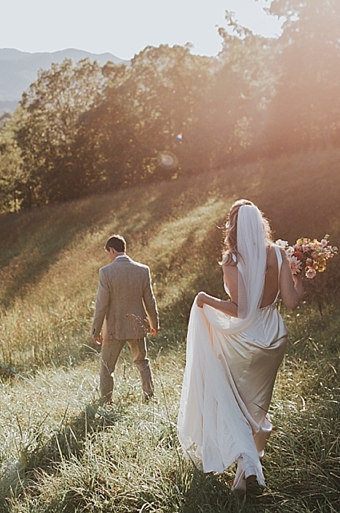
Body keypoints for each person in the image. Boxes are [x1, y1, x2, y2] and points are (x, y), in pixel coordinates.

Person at [177, 200, 304, 496]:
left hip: (246, 341)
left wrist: (205, 298)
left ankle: (247, 465)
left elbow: (243, 309)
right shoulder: (278, 253)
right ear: (260, 224)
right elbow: (293, 301)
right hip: (273, 337)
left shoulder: (233, 259)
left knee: (231, 403)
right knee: (254, 409)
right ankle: (242, 475)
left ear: (233, 226)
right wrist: (299, 280)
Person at [91, 235, 159, 404]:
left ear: (112, 250)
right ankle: (149, 396)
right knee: (142, 362)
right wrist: (154, 323)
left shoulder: (106, 272)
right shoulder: (143, 270)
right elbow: (150, 300)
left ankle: (107, 401)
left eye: (108, 253)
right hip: (137, 326)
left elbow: (101, 305)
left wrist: (96, 330)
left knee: (107, 368)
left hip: (114, 328)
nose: (109, 256)